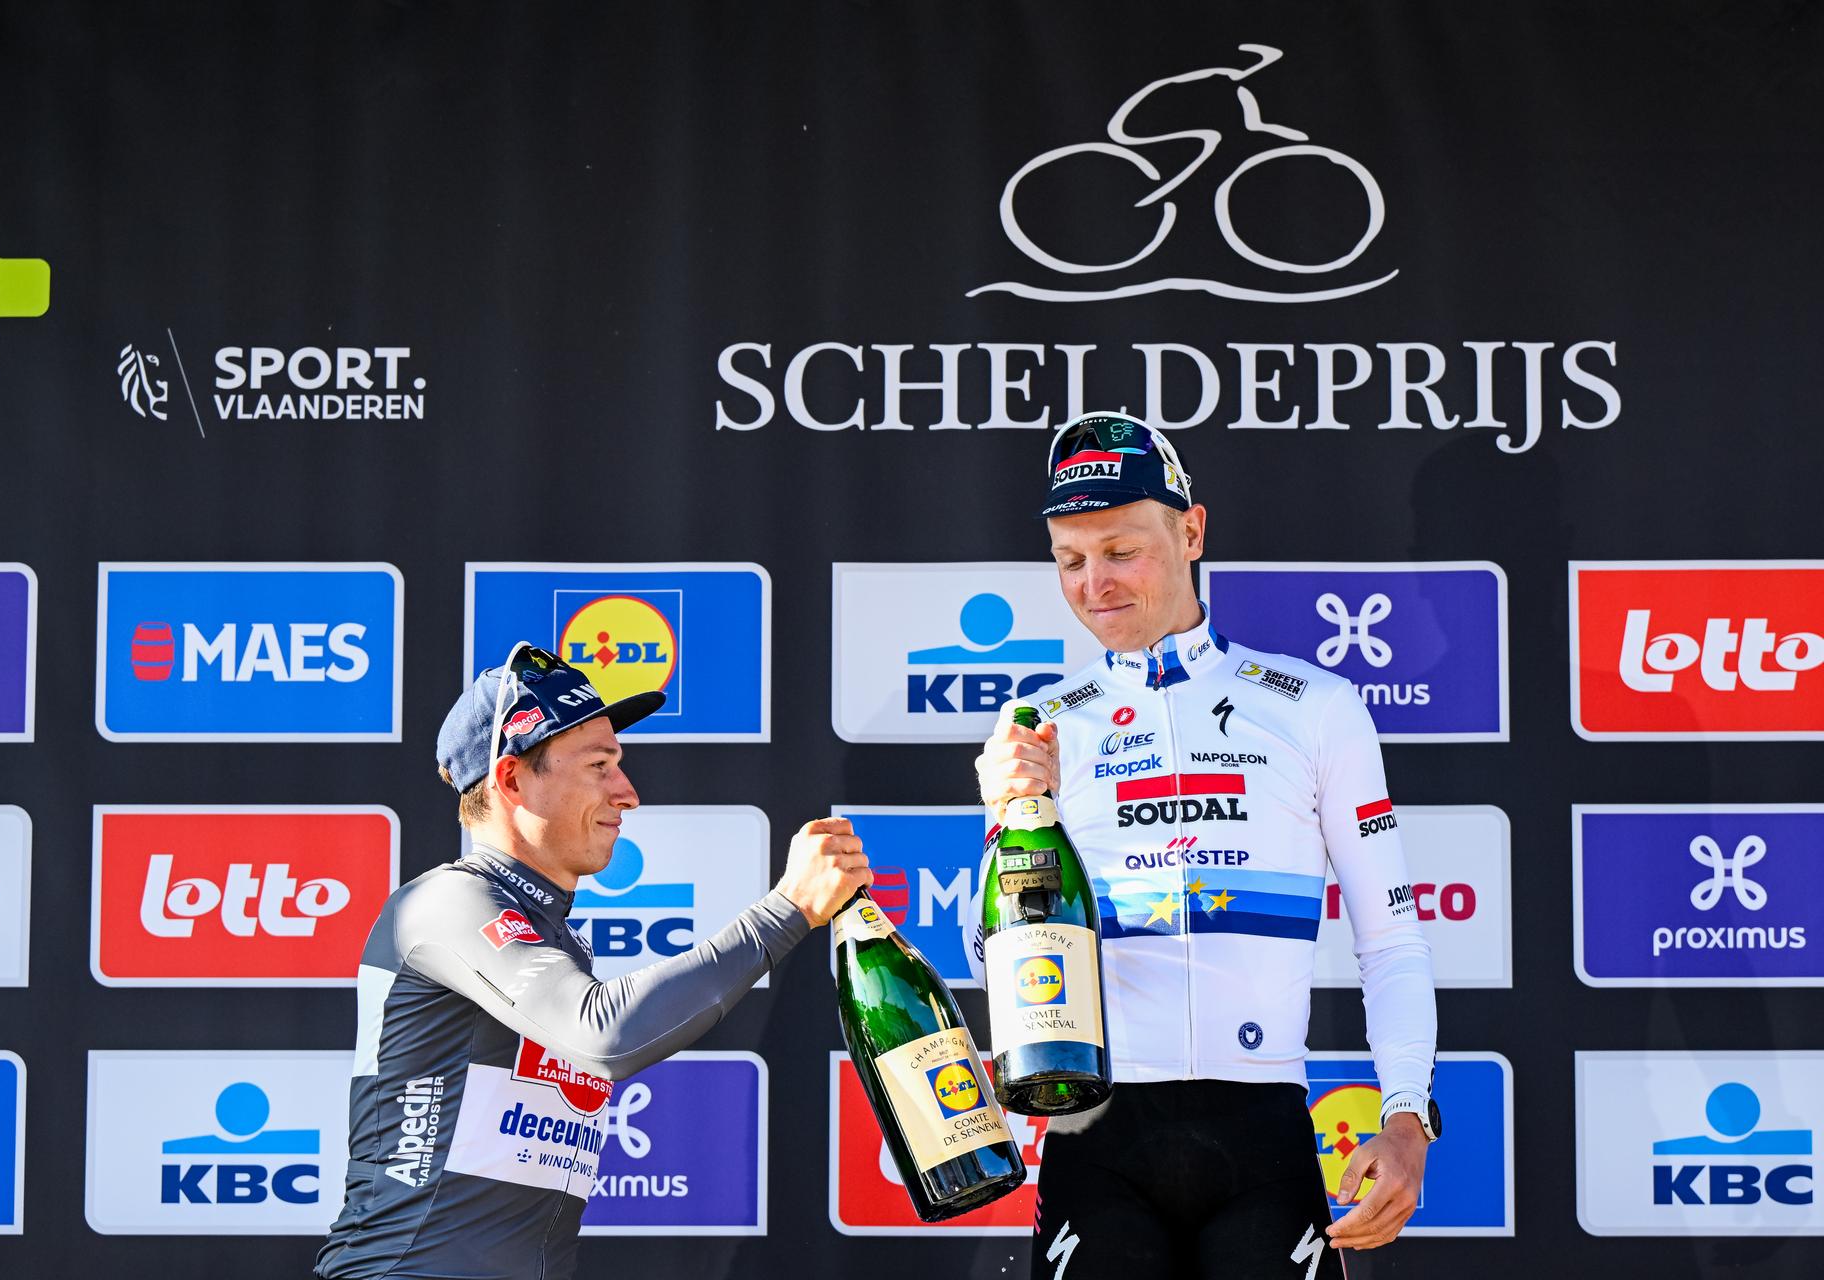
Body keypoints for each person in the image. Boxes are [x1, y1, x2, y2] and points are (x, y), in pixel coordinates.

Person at [973, 412, 1439, 1279]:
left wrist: (1406, 1113)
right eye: (1069, 561)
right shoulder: (1038, 723)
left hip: (1260, 1139)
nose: (1094, 584)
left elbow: (1392, 938)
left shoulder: (1313, 707)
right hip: (1096, 1140)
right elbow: (994, 960)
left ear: (1190, 531)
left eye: (1120, 551)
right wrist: (1009, 812)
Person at [317, 643, 870, 1278]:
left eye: (619, 764)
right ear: (512, 779)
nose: (627, 793)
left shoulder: (554, 936)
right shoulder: (443, 902)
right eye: (600, 765)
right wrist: (787, 910)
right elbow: (602, 1033)